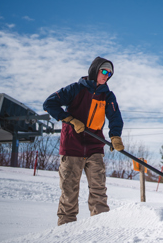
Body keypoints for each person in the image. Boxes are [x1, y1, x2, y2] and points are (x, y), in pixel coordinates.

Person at [43, 56, 124, 226]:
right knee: (69, 192)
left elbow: (115, 117)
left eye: (109, 73)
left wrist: (115, 136)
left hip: (95, 147)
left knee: (99, 191)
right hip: (72, 146)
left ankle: (100, 229)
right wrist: (70, 119)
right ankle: (66, 231)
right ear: (95, 70)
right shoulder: (75, 89)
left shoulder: (107, 95)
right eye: (104, 71)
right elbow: (50, 103)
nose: (106, 75)